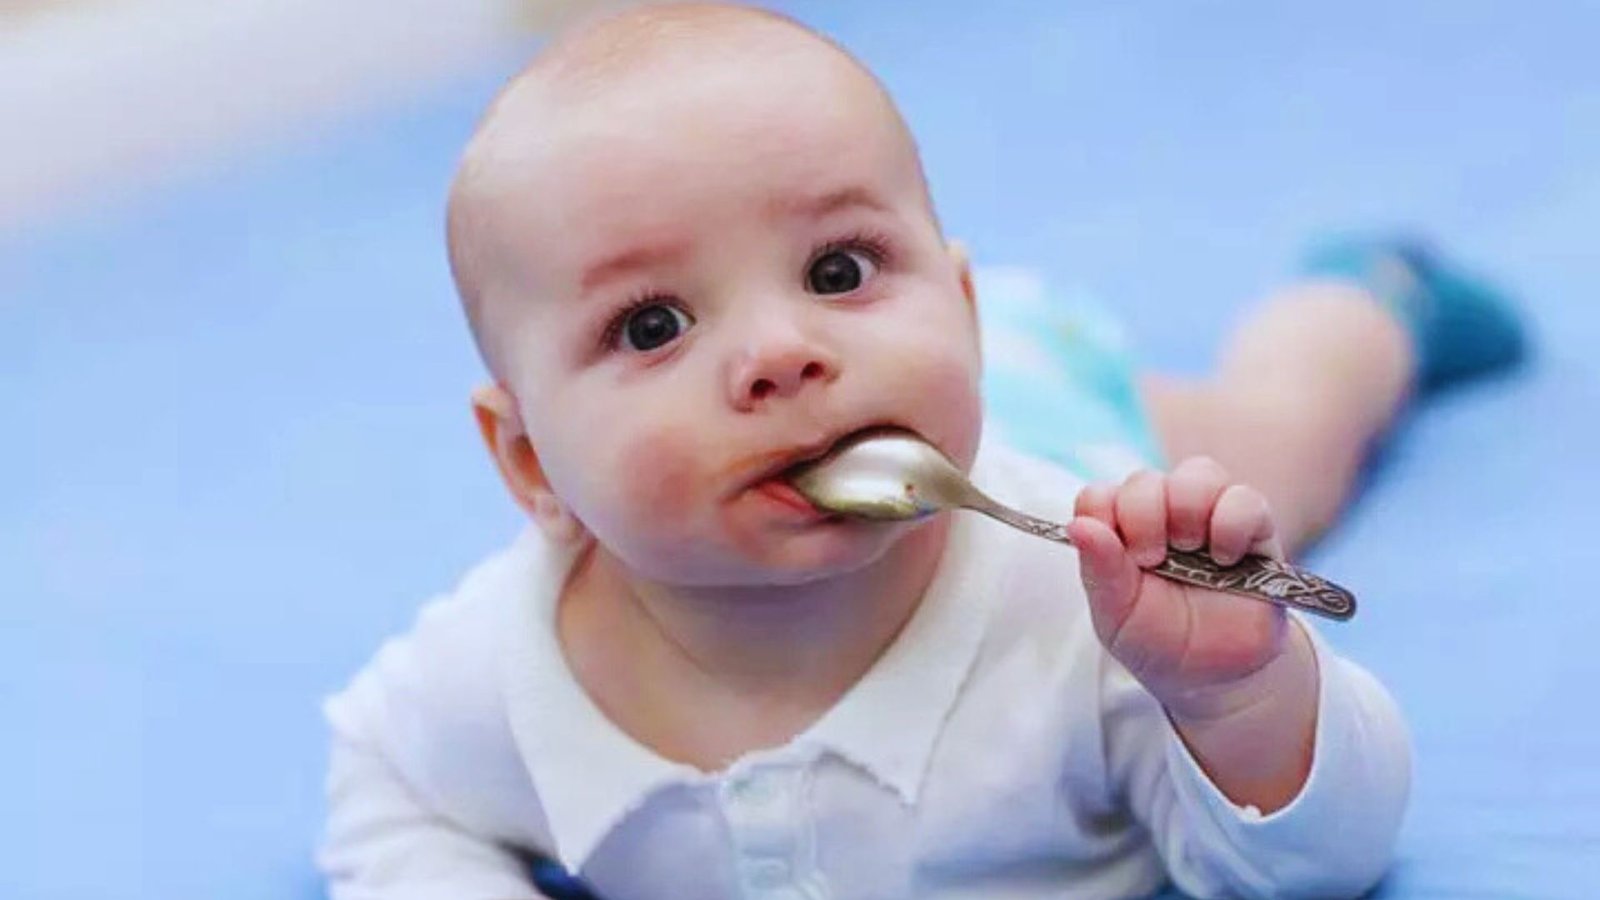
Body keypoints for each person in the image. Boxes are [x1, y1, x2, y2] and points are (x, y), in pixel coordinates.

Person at [318, 4, 1525, 898]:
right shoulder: (505, 670)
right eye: (652, 325)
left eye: (838, 270)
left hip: (1060, 411)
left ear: (955, 306)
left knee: (1283, 437)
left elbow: (1323, 865)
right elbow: (388, 790)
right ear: (529, 466)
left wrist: (1235, 695)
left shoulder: (1096, 603)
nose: (781, 352)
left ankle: (1369, 300)